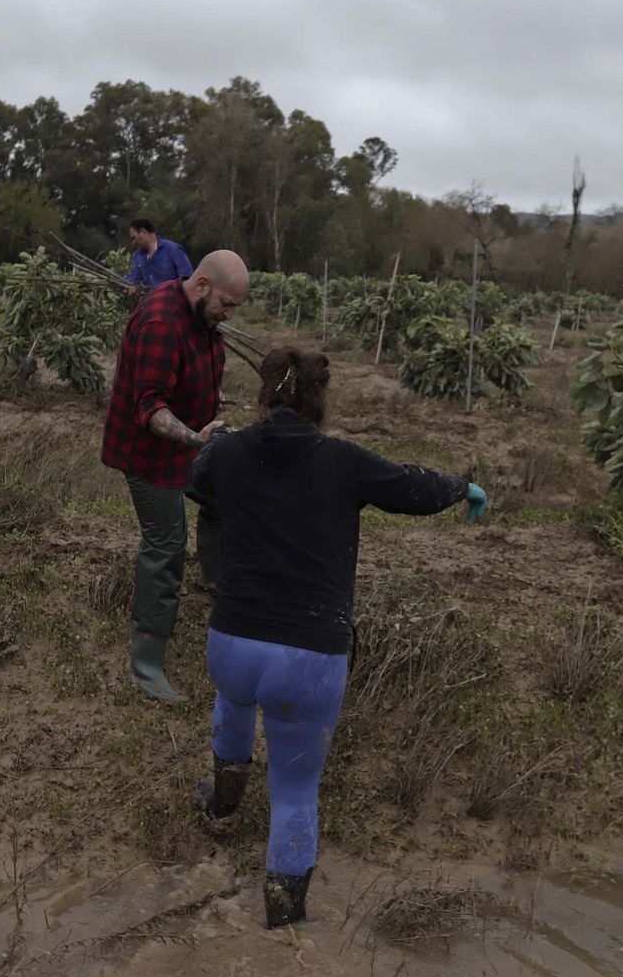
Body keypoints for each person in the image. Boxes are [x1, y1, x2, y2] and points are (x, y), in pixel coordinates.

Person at [188, 347, 488, 930]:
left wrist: (215, 441)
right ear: (319, 405)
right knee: (295, 792)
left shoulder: (228, 454)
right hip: (308, 656)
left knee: (233, 702)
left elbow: (197, 484)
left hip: (233, 645)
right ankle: (282, 926)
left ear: (263, 398)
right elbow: (413, 488)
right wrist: (462, 487)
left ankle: (221, 803)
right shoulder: (344, 461)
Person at [101, 250, 247, 701]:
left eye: (235, 307)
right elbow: (150, 409)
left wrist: (210, 393)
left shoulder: (200, 317)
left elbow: (193, 365)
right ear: (202, 285)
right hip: (150, 455)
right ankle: (146, 667)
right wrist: (198, 438)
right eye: (227, 303)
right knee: (165, 545)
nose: (229, 314)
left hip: (188, 447)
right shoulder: (161, 325)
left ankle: (216, 583)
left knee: (226, 498)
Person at [123, 218, 194, 293]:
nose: (133, 242)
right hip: (153, 301)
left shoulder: (172, 249)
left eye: (134, 238)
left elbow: (187, 278)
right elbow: (133, 278)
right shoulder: (137, 256)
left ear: (143, 232)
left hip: (174, 300)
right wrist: (125, 286)